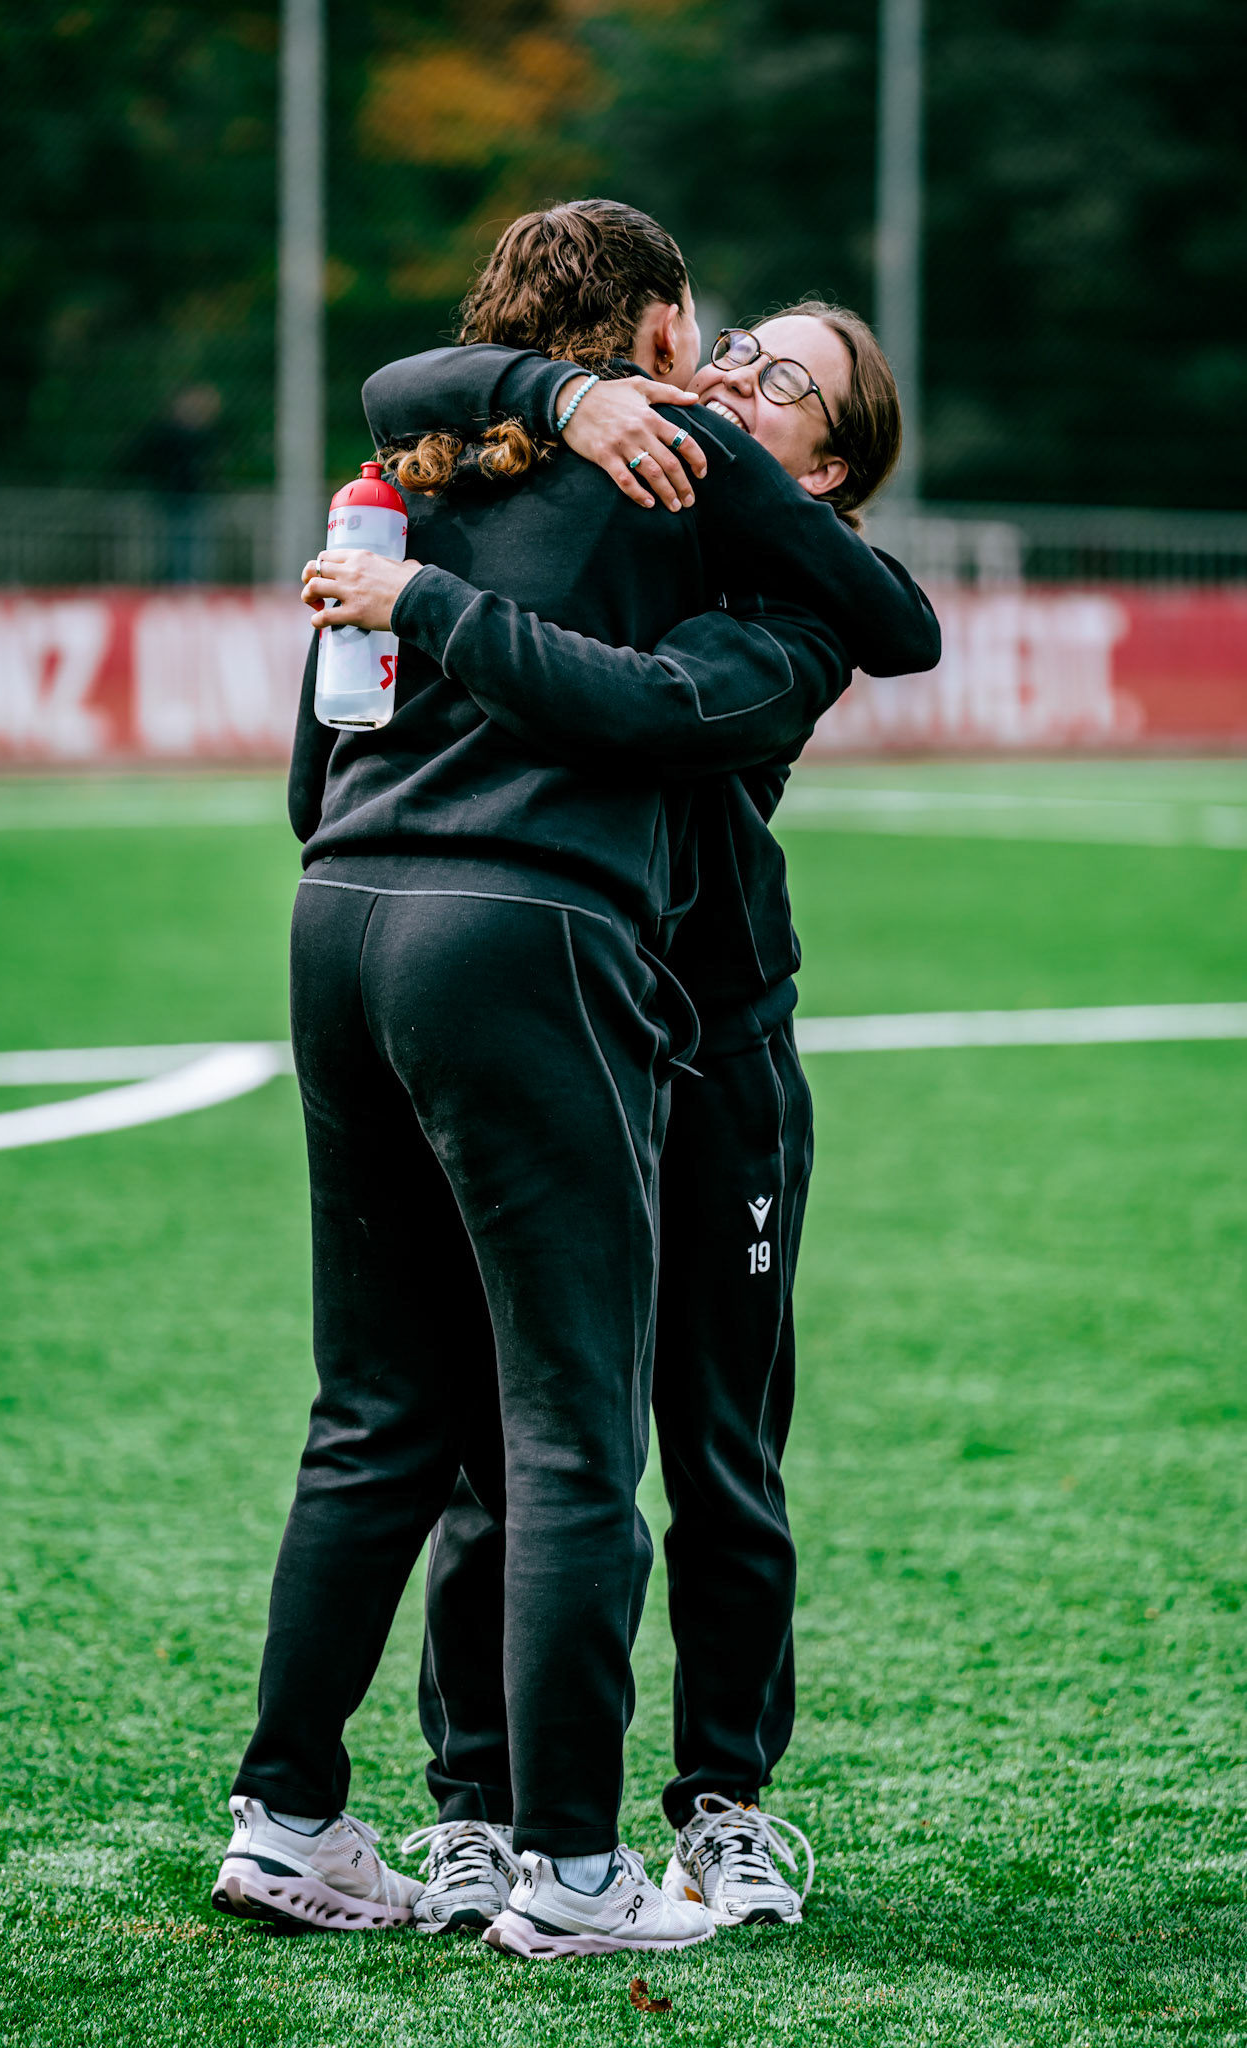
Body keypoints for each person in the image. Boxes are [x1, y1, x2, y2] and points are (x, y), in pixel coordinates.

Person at [214, 200, 935, 1960]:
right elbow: (415, 388)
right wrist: (554, 389)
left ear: (824, 473)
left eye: (786, 385)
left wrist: (422, 594)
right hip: (546, 999)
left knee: (707, 1447)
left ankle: (723, 1809)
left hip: (710, 1048)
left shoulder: (787, 605)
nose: (739, 380)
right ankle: (489, 1824)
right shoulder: (589, 486)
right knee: (494, 1437)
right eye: (733, 348)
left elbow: (626, 707)